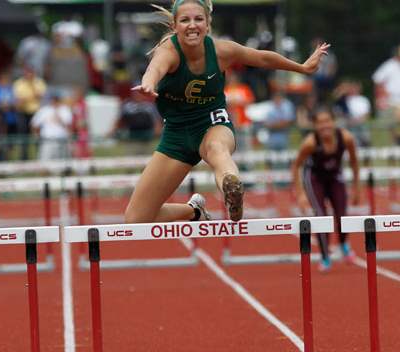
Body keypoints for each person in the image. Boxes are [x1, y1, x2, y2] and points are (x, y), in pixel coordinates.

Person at [126, 0, 330, 223]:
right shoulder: (169, 51)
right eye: (185, 20)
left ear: (208, 24)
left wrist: (301, 67)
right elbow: (155, 68)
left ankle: (231, 187)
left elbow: (262, 57)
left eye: (198, 19)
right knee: (135, 219)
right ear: (175, 26)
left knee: (217, 149)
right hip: (176, 134)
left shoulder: (222, 50)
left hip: (212, 123)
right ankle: (194, 211)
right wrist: (149, 83)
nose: (192, 25)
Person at [291, 106, 360, 272]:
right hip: (315, 179)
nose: (324, 126)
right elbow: (296, 166)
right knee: (321, 216)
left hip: (335, 177)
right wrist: (300, 194)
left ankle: (343, 244)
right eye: (320, 123)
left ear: (334, 122)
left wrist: (357, 188)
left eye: (327, 121)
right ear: (315, 126)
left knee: (342, 214)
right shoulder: (310, 143)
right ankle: (325, 256)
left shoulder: (346, 138)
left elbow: (354, 161)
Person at [372, 44, 400, 145]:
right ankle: (396, 139)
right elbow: (377, 81)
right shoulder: (389, 65)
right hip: (391, 100)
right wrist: (381, 97)